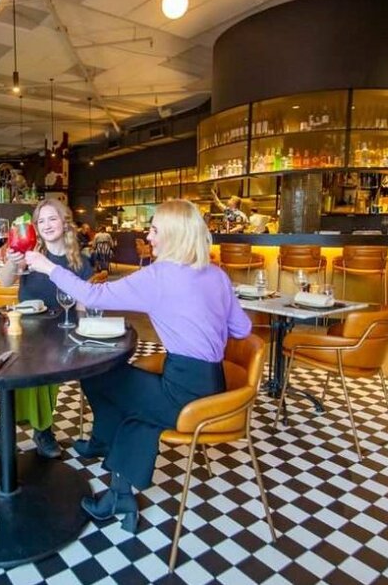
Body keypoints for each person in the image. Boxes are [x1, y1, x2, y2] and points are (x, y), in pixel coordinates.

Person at [25, 199, 252, 533]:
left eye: (155, 229)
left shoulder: (160, 276)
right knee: (137, 412)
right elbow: (243, 330)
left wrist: (49, 269)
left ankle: (105, 441)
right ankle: (119, 494)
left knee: (100, 374)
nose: (150, 236)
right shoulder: (217, 275)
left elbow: (94, 297)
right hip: (214, 387)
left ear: (174, 235)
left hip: (183, 395)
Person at [0, 199, 94, 475]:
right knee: (25, 368)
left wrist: (81, 332)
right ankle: (40, 430)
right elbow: (5, 281)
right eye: (40, 221)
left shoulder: (80, 261)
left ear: (64, 222)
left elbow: (83, 306)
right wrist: (12, 261)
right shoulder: (29, 252)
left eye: (52, 219)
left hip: (61, 331)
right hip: (22, 330)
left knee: (42, 365)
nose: (46, 225)